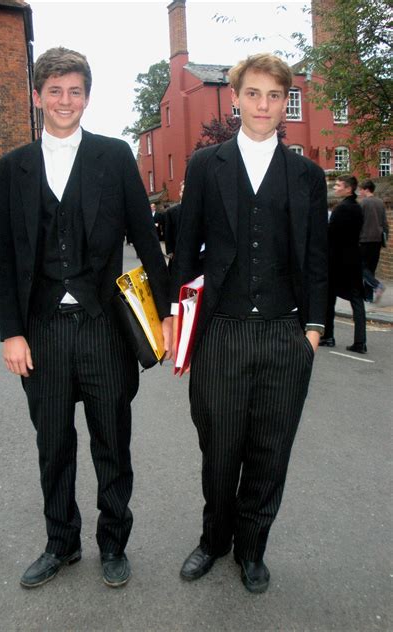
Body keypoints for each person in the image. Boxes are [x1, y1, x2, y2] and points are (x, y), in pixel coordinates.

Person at [0, 47, 172, 590]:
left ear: (87, 97)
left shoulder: (114, 157)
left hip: (103, 329)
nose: (64, 100)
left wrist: (162, 317)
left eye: (75, 91)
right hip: (41, 330)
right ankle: (61, 543)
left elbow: (146, 238)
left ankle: (113, 542)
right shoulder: (13, 167)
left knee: (112, 443)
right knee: (54, 446)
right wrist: (12, 333)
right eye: (54, 91)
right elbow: (5, 258)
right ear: (38, 97)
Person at [170, 53, 328, 594]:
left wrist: (312, 329)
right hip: (222, 331)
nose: (264, 105)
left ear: (285, 103)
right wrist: (179, 319)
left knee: (270, 450)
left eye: (276, 96)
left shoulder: (306, 174)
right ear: (235, 97)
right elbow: (185, 250)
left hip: (286, 333)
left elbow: (315, 258)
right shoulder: (205, 165)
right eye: (254, 94)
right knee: (219, 448)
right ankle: (214, 540)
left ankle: (252, 548)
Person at [320, 175, 367, 353]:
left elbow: (330, 234)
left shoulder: (341, 209)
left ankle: (328, 335)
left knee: (329, 299)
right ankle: (360, 341)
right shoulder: (357, 208)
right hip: (353, 259)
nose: (335, 188)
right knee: (356, 300)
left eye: (339, 185)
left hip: (337, 261)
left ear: (349, 189)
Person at [358, 179, 389, 303]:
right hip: (377, 240)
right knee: (371, 269)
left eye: (361, 189)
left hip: (364, 239)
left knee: (361, 267)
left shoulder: (363, 203)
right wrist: (384, 239)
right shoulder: (380, 203)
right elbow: (385, 223)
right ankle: (368, 297)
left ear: (366, 189)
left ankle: (377, 285)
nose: (360, 192)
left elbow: (358, 222)